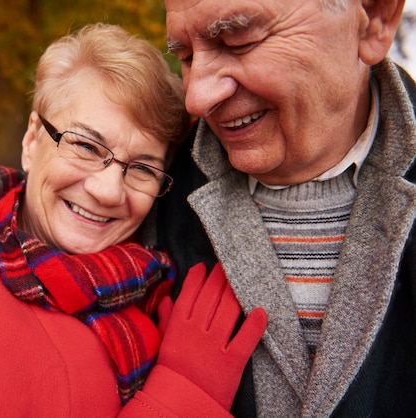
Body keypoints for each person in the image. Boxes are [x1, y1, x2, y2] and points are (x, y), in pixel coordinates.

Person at [0, 23, 267, 417]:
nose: (107, 190)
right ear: (31, 140)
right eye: (84, 145)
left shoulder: (154, 281)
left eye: (141, 168)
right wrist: (182, 394)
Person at [157, 0, 416, 416]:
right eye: (185, 56)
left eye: (238, 41)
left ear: (374, 19)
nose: (196, 97)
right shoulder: (148, 188)